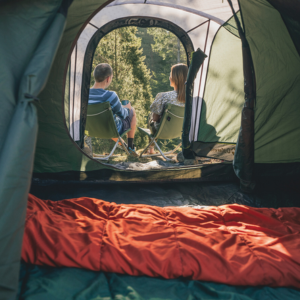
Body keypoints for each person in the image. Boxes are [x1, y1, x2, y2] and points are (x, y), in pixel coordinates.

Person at [88, 63, 138, 156]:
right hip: (110, 129)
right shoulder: (111, 95)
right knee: (132, 111)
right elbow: (123, 115)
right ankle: (130, 148)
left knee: (110, 118)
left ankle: (125, 146)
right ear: (108, 79)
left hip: (91, 129)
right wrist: (127, 108)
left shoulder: (84, 94)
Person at [147, 63, 188, 154]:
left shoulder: (163, 96)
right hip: (182, 130)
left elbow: (155, 118)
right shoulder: (191, 97)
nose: (169, 77)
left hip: (162, 131)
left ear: (175, 78)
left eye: (171, 74)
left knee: (150, 117)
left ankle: (151, 150)